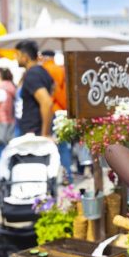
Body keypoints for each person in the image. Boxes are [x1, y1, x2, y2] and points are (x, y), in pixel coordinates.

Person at [41, 50, 73, 185]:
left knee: (47, 146)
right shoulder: (60, 69)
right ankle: (67, 175)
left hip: (50, 110)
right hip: (61, 110)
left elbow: (54, 93)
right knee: (63, 146)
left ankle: (49, 179)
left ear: (44, 57)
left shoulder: (44, 69)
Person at [15, 40, 53, 136]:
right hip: (35, 131)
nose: (15, 58)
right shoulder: (42, 71)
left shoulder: (32, 74)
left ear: (25, 57)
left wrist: (45, 134)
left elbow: (47, 102)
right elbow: (53, 88)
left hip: (33, 133)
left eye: (17, 55)